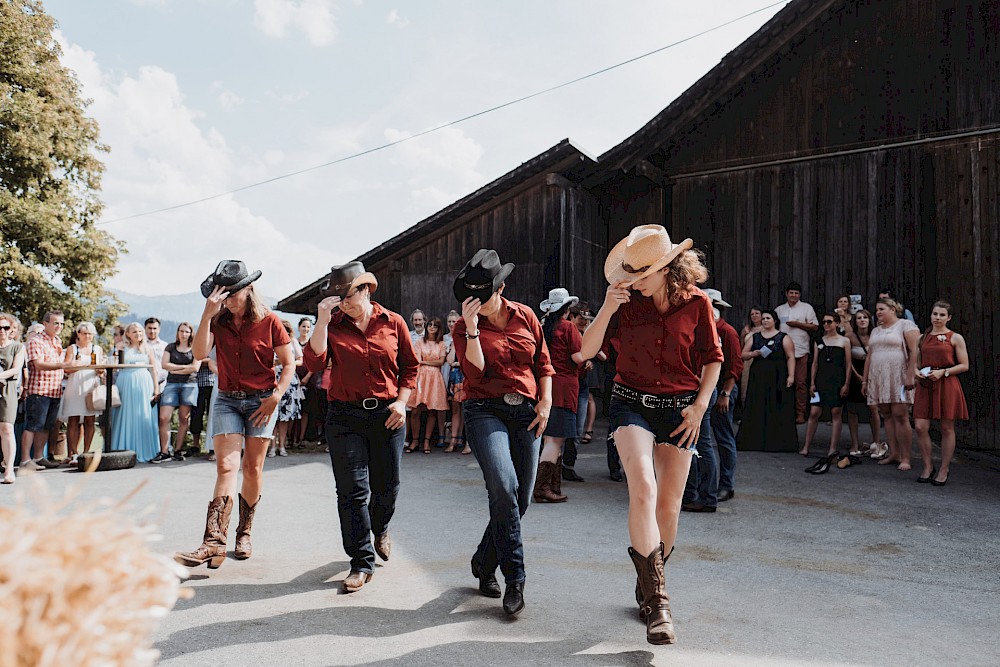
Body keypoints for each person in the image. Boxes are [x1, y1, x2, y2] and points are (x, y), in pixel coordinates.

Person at [580, 225, 722, 645]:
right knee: (642, 487)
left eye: (642, 273)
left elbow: (713, 360)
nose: (634, 279)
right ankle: (658, 601)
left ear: (665, 269)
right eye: (631, 272)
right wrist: (606, 308)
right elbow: (586, 352)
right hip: (630, 403)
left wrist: (700, 406)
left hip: (680, 409)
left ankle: (648, 579)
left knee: (670, 507)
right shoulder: (625, 303)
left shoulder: (696, 304)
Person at [304, 261, 417, 593]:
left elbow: (410, 366)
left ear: (365, 289)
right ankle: (361, 561)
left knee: (387, 485)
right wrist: (322, 322)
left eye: (348, 295)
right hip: (344, 416)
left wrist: (402, 402)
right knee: (351, 491)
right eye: (337, 297)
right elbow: (313, 363)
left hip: (387, 414)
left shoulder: (393, 322)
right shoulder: (333, 323)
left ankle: (380, 528)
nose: (343, 303)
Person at [453, 248, 554, 617]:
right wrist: (473, 329)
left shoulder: (526, 315)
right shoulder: (463, 325)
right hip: (484, 411)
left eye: (485, 295)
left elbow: (544, 364)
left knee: (520, 500)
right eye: (472, 296)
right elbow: (475, 374)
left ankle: (483, 560)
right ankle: (516, 578)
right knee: (503, 484)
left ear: (501, 287)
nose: (478, 302)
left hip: (527, 411)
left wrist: (545, 404)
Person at [176, 260, 295, 570]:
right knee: (226, 467)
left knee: (252, 469)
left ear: (248, 290)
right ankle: (214, 542)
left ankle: (244, 532)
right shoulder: (218, 320)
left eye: (230, 294)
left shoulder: (270, 321)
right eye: (221, 295)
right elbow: (200, 354)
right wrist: (206, 313)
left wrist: (276, 396)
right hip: (227, 400)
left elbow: (289, 363)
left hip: (262, 402)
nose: (225, 300)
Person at [533, 287, 583, 503]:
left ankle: (552, 486)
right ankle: (543, 488)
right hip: (564, 387)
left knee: (551, 439)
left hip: (546, 384)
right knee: (555, 440)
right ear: (567, 307)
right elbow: (578, 357)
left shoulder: (544, 328)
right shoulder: (568, 327)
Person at [914, 302, 969, 486]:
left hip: (946, 382)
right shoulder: (922, 338)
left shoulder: (955, 338)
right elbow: (916, 362)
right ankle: (928, 466)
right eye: (935, 314)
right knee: (921, 426)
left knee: (946, 428)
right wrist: (916, 372)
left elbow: (964, 365)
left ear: (949, 317)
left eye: (941, 314)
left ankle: (944, 468)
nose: (937, 317)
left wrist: (943, 372)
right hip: (925, 384)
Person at [863, 297, 920, 471]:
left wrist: (911, 375)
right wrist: (865, 380)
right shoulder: (876, 331)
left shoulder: (905, 325)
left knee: (900, 415)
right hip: (879, 376)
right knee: (886, 414)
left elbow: (914, 351)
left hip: (898, 375)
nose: (878, 313)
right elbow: (870, 356)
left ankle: (906, 457)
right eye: (877, 310)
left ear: (892, 309)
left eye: (881, 309)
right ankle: (893, 453)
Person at [737, 309, 798, 452]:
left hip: (777, 376)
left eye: (768, 318)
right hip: (758, 376)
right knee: (757, 406)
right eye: (763, 318)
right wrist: (754, 353)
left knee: (776, 406)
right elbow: (743, 354)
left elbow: (790, 357)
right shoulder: (755, 336)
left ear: (775, 320)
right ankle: (754, 441)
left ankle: (777, 442)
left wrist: (791, 376)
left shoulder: (783, 337)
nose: (765, 321)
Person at [799, 313, 851, 459]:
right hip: (821, 380)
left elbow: (848, 364)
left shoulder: (844, 341)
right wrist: (812, 383)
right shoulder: (819, 341)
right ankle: (806, 446)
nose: (826, 324)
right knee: (814, 412)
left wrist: (846, 383)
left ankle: (832, 447)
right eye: (824, 322)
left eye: (829, 322)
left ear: (837, 323)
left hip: (837, 381)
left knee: (836, 413)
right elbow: (815, 363)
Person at [708, 290, 743, 503]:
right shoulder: (704, 330)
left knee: (724, 438)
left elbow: (735, 367)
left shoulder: (727, 332)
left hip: (723, 389)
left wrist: (725, 393)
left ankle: (726, 484)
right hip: (705, 388)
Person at [20, 311, 65, 471]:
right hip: (39, 390)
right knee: (33, 426)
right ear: (45, 323)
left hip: (55, 390)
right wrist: (63, 366)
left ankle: (38, 457)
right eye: (56, 323)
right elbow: (38, 364)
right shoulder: (36, 341)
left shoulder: (57, 341)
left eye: (61, 324)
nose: (59, 326)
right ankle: (25, 460)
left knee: (46, 426)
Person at [111, 323, 160, 463]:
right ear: (128, 334)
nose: (138, 334)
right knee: (124, 413)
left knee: (142, 414)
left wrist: (156, 389)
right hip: (125, 383)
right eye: (134, 331)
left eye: (140, 331)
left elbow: (153, 369)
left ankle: (144, 450)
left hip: (144, 383)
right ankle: (122, 449)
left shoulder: (147, 348)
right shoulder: (121, 346)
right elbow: (114, 363)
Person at [58, 321, 103, 465]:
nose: (87, 337)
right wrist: (78, 366)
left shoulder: (97, 349)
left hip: (91, 383)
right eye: (85, 333)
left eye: (90, 334)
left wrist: (100, 370)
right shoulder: (73, 349)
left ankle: (86, 451)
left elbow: (100, 368)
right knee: (73, 419)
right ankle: (73, 453)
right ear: (78, 334)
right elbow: (66, 368)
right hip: (75, 384)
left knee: (90, 419)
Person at [775, 282, 818, 423]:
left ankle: (800, 413)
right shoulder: (779, 310)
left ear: (799, 295)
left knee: (800, 382)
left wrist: (797, 324)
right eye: (791, 293)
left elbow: (815, 327)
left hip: (801, 350)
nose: (793, 295)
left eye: (796, 293)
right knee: (783, 382)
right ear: (786, 294)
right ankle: (783, 411)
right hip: (782, 352)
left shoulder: (806, 308)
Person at [156, 322, 199, 463]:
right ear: (178, 332)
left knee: (183, 418)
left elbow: (195, 368)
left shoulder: (195, 348)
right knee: (164, 417)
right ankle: (164, 451)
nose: (184, 334)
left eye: (187, 331)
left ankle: (178, 450)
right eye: (181, 331)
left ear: (191, 333)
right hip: (172, 384)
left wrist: (175, 368)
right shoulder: (170, 347)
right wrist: (183, 367)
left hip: (189, 385)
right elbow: (164, 364)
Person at [405, 317, 449, 454]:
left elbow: (441, 361)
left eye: (435, 326)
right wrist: (427, 362)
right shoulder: (419, 342)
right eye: (430, 325)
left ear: (438, 329)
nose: (432, 327)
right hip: (421, 377)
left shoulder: (441, 344)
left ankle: (427, 442)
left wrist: (425, 362)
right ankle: (415, 440)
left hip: (435, 378)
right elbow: (417, 360)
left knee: (432, 410)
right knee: (415, 410)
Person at [845, 309, 883, 457]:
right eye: (859, 318)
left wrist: (869, 377)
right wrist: (858, 376)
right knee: (853, 410)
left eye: (865, 317)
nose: (862, 320)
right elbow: (847, 360)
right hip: (855, 373)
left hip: (873, 373)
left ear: (869, 320)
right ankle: (854, 444)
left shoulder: (876, 335)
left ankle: (876, 442)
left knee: (873, 409)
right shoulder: (849, 336)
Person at [270, 319, 303, 458]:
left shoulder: (292, 341)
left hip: (288, 379)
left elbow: (300, 360)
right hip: (273, 378)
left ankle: (282, 445)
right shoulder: (269, 340)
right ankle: (272, 447)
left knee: (285, 416)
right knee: (272, 415)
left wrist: (286, 362)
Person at [0, 313, 26, 484]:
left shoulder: (17, 347)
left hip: (7, 390)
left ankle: (9, 469)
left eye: (5, 327)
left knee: (7, 428)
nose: (2, 331)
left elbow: (16, 369)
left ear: (11, 330)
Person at [444, 310, 468, 453]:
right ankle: (453, 440)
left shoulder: (468, 337)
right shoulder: (454, 340)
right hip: (455, 378)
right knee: (455, 411)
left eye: (455, 322)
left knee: (467, 410)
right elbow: (450, 360)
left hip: (466, 377)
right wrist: (454, 342)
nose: (453, 325)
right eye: (450, 322)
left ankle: (468, 443)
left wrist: (460, 364)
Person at [189, 348, 217, 456]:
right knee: (196, 416)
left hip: (212, 384)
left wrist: (200, 361)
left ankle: (212, 448)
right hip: (196, 384)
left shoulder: (215, 344)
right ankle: (196, 445)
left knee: (213, 416)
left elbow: (211, 361)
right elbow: (193, 361)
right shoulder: (198, 345)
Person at [739, 306, 764, 403]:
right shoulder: (747, 329)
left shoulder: (766, 327)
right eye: (752, 314)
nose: (754, 316)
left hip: (761, 359)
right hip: (748, 360)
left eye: (757, 313)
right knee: (746, 384)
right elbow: (741, 346)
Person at [144, 317, 168, 391]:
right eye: (149, 328)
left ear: (159, 329)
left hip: (163, 384)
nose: (152, 331)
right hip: (145, 383)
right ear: (145, 328)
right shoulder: (141, 346)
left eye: (155, 328)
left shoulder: (165, 346)